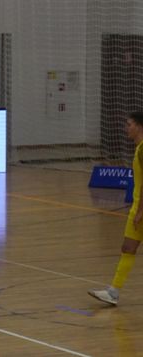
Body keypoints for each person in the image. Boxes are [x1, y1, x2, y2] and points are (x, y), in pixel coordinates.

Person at [89, 112, 143, 306]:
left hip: (141, 209)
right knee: (128, 248)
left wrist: (141, 210)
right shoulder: (138, 149)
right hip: (136, 206)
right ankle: (113, 293)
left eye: (129, 124)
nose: (126, 128)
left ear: (139, 126)